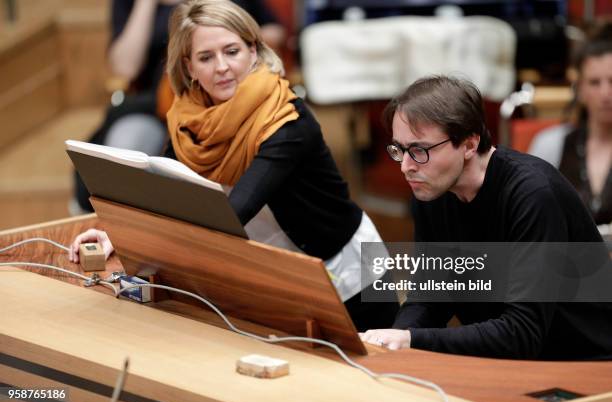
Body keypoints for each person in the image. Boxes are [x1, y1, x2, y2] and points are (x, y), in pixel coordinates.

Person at [70, 0, 398, 331]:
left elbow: (228, 216)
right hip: (283, 274)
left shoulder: (287, 121)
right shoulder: (189, 121)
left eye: (232, 51)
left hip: (350, 273)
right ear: (189, 68)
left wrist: (139, 238)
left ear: (253, 51)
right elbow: (162, 193)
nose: (222, 67)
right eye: (206, 57)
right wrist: (118, 231)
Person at [360, 75, 612, 360]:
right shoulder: (432, 191)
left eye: (419, 150)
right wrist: (391, 343)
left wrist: (411, 339)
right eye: (399, 150)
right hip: (511, 363)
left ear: (469, 144)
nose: (406, 167)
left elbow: (523, 332)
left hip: (587, 365)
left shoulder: (534, 194)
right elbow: (431, 298)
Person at [73, 0, 287, 213]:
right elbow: (125, 68)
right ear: (189, 66)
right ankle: (113, 221)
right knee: (126, 145)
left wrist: (223, 41)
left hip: (224, 100)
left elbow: (273, 31)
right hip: (157, 107)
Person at [530, 22, 612, 231]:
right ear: (580, 88)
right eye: (594, 82)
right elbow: (531, 217)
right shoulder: (551, 144)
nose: (605, 94)